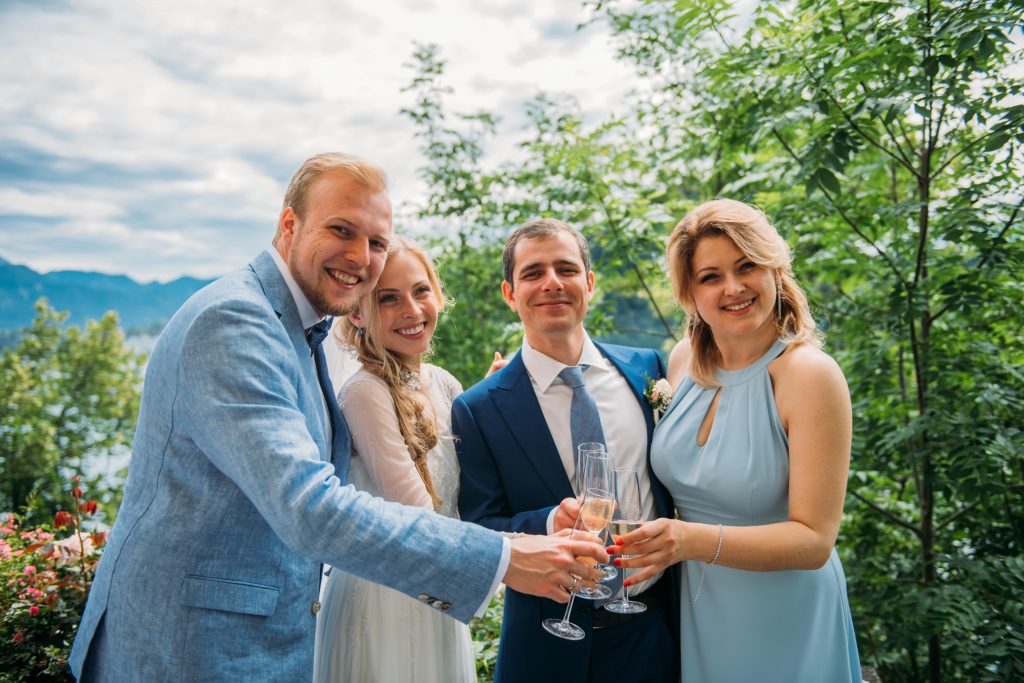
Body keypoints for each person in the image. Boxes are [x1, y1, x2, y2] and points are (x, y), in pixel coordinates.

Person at [68, 153, 607, 681]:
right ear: (289, 225)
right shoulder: (236, 321)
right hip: (190, 648)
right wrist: (505, 560)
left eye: (376, 242)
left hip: (255, 638)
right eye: (341, 231)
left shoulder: (299, 328)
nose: (361, 257)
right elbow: (309, 507)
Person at [610, 198, 862, 681]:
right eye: (711, 277)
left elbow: (814, 540)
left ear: (775, 271)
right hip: (702, 608)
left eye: (747, 266)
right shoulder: (683, 359)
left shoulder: (810, 376)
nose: (733, 287)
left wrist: (689, 541)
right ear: (691, 294)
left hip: (788, 612)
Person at [452, 219, 679, 683]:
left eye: (566, 269)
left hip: (653, 633)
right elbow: (479, 526)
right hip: (545, 643)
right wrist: (550, 521)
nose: (552, 282)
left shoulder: (647, 369)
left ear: (589, 282)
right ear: (510, 294)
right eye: (533, 273)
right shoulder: (478, 408)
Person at [313, 237, 475, 682]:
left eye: (421, 291)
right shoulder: (365, 392)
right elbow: (416, 512)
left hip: (439, 589)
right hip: (384, 598)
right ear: (357, 313)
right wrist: (511, 558)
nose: (412, 309)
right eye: (388, 299)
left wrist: (494, 404)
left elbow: (473, 488)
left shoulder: (445, 384)